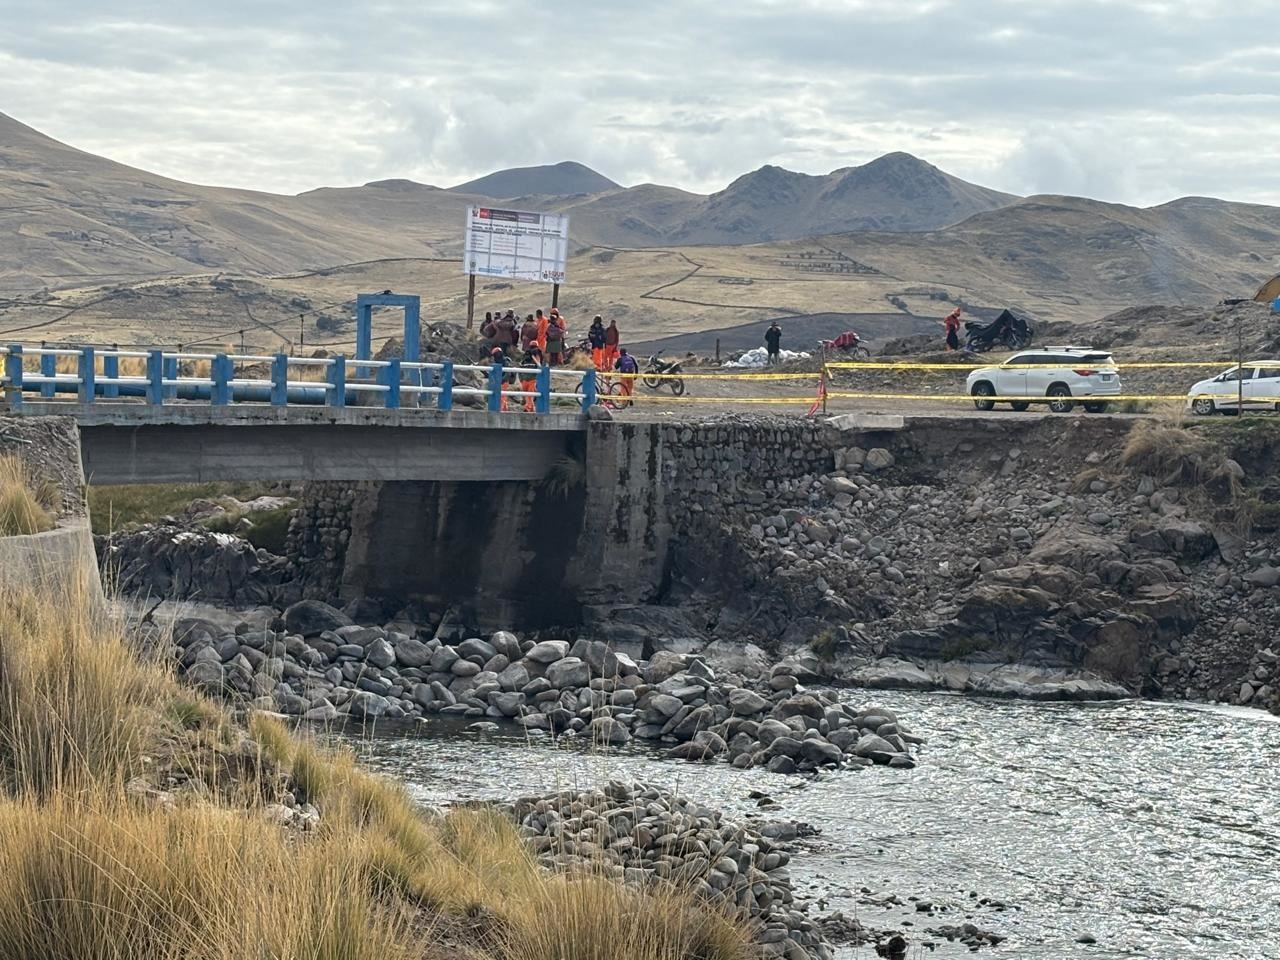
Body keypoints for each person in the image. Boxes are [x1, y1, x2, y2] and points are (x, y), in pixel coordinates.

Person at [519, 345, 543, 412]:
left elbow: (519, 370)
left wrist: (521, 379)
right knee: (529, 395)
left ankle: (528, 408)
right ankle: (531, 408)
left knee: (529, 395)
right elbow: (540, 367)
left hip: (526, 380)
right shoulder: (534, 360)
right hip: (531, 379)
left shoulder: (523, 360)